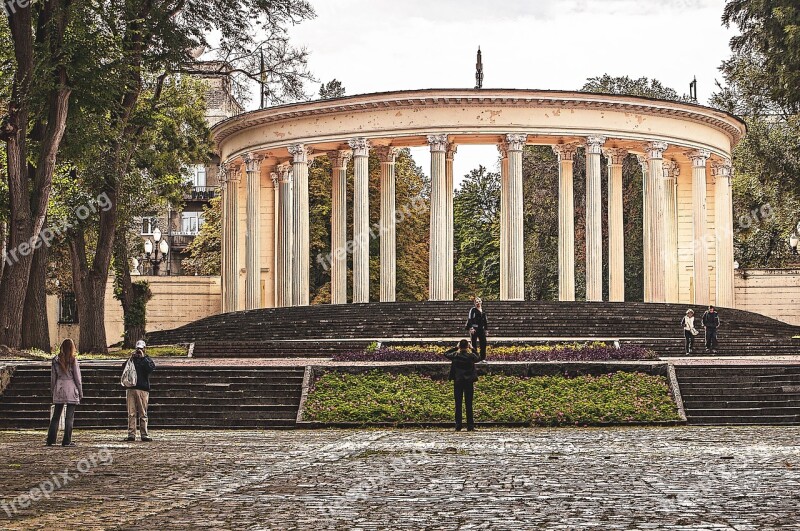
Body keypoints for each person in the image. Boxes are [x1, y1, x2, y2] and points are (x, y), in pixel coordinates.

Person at [47, 338, 82, 447]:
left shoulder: (55, 360)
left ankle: (51, 439)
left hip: (59, 387)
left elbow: (53, 378)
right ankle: (66, 440)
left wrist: (53, 390)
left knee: (56, 416)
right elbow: (77, 378)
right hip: (71, 387)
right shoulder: (72, 360)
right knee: (69, 417)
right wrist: (80, 392)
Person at [443, 339, 480, 432]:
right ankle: (470, 426)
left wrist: (456, 347)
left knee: (458, 404)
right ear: (467, 346)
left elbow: (446, 353)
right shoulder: (471, 356)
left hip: (458, 381)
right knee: (469, 404)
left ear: (460, 346)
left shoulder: (455, 355)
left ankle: (458, 425)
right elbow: (478, 357)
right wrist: (472, 349)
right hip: (468, 382)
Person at [124, 340, 156, 442]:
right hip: (131, 388)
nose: (139, 351)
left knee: (143, 413)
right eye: (138, 349)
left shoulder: (147, 359)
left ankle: (144, 434)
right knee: (131, 413)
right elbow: (123, 368)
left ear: (144, 349)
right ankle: (131, 434)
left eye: (141, 349)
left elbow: (150, 369)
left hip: (143, 389)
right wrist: (130, 358)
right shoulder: (132, 359)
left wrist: (143, 358)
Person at [465, 297, 488, 361]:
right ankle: (475, 358)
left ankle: (482, 358)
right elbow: (470, 319)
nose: (478, 303)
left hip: (481, 329)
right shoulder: (473, 310)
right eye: (476, 302)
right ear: (474, 303)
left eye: (479, 301)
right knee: (474, 344)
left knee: (483, 343)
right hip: (474, 329)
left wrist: (486, 329)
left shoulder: (483, 310)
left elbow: (485, 320)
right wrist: (471, 328)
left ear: (481, 302)